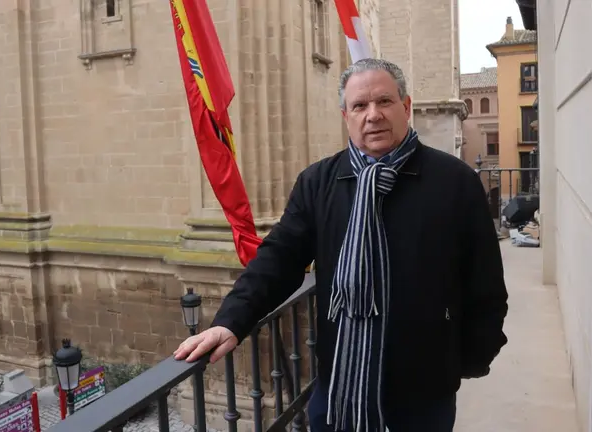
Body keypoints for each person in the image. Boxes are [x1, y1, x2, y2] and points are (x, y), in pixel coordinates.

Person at [173, 58, 508, 432]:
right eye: (360, 105)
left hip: (423, 394)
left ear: (406, 106)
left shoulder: (454, 182)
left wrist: (467, 360)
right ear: (346, 116)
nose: (373, 115)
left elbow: (485, 282)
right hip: (339, 391)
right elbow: (279, 258)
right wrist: (231, 321)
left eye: (384, 101)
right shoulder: (319, 182)